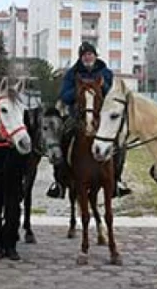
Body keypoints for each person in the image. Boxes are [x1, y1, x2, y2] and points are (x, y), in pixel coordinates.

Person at [56, 41, 131, 197]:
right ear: (81, 57)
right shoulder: (72, 73)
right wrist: (79, 92)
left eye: (90, 54)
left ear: (95, 56)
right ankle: (60, 181)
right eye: (85, 55)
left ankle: (117, 179)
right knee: (62, 136)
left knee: (120, 143)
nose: (88, 57)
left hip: (102, 117)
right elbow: (64, 95)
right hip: (78, 116)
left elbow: (112, 94)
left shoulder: (105, 72)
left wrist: (102, 87)